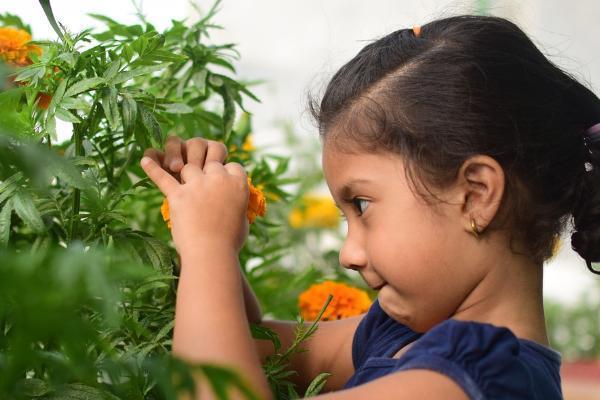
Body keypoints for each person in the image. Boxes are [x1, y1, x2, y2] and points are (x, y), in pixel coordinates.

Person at [139, 14, 600, 400]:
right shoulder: (403, 333)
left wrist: (206, 246)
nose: (349, 254)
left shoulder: (482, 380)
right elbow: (261, 346)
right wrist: (207, 225)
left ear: (475, 195)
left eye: (361, 205)